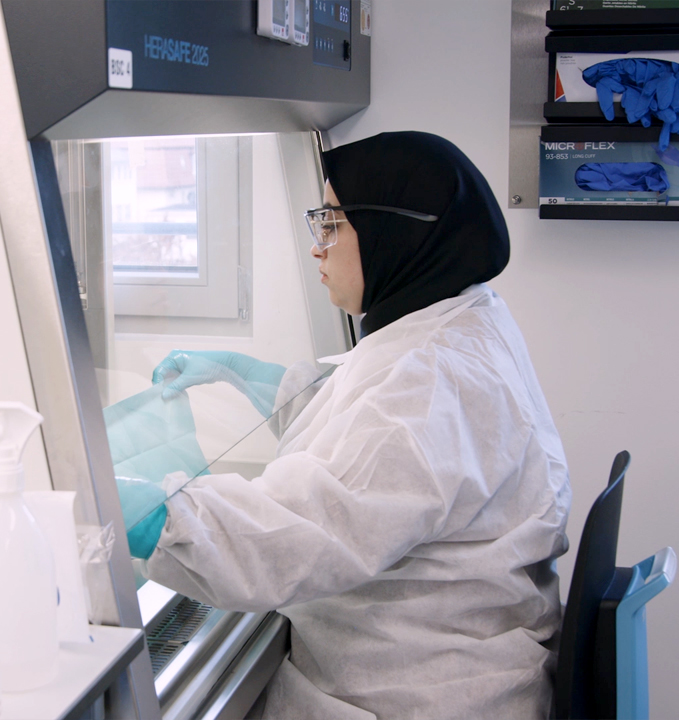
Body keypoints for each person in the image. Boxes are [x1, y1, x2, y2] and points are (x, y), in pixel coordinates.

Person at [122, 131, 572, 719]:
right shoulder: (460, 317)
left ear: (393, 232)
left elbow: (298, 536)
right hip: (454, 656)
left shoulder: (429, 384)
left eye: (332, 224)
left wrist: (152, 518)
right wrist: (244, 373)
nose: (318, 248)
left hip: (421, 695)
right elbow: (368, 433)